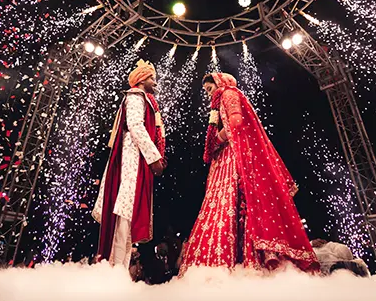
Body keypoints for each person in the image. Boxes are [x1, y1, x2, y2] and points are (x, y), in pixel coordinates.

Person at [179, 73, 318, 274]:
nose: (209, 95)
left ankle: (247, 259)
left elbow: (235, 122)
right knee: (231, 207)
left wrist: (216, 140)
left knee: (237, 204)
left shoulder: (227, 93)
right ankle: (239, 259)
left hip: (234, 155)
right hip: (229, 155)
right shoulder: (223, 98)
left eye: (210, 89)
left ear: (219, 83)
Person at [92, 60, 167, 269]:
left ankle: (119, 270)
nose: (155, 82)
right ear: (141, 80)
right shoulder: (135, 96)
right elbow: (135, 126)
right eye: (152, 78)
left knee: (127, 214)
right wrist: (154, 158)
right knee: (123, 214)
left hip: (136, 158)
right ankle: (114, 269)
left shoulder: (143, 97)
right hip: (130, 160)